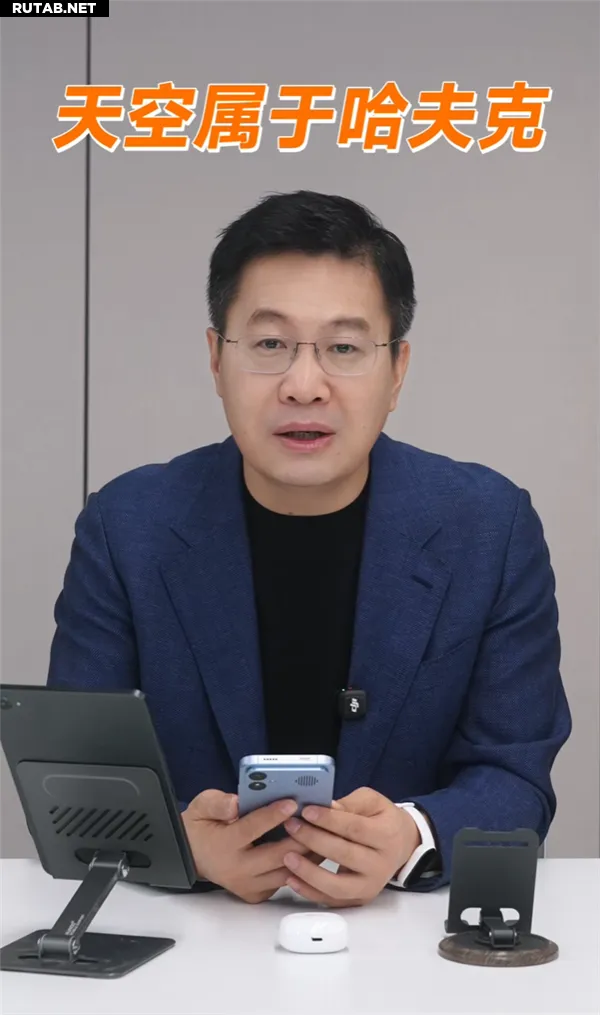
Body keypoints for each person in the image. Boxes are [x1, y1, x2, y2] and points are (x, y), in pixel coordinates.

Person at [46, 190, 572, 908]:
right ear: (216, 359)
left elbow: (516, 778)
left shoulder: (489, 526)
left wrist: (412, 835)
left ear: (397, 370)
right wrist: (182, 845)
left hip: (405, 942)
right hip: (192, 939)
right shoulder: (127, 525)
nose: (303, 385)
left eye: (344, 348)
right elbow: (80, 782)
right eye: (269, 345)